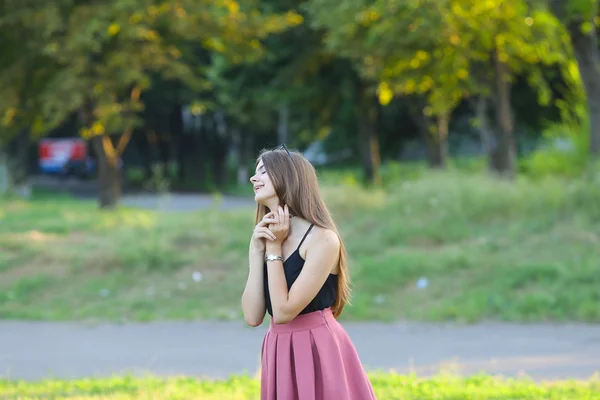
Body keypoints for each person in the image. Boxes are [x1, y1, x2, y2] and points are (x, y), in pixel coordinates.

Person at [241, 145, 377, 400]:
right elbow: (252, 316)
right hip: (279, 348)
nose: (253, 178)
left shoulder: (323, 240)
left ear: (287, 177)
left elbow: (283, 311)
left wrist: (273, 249)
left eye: (262, 171)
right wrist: (256, 251)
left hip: (317, 348)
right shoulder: (264, 236)